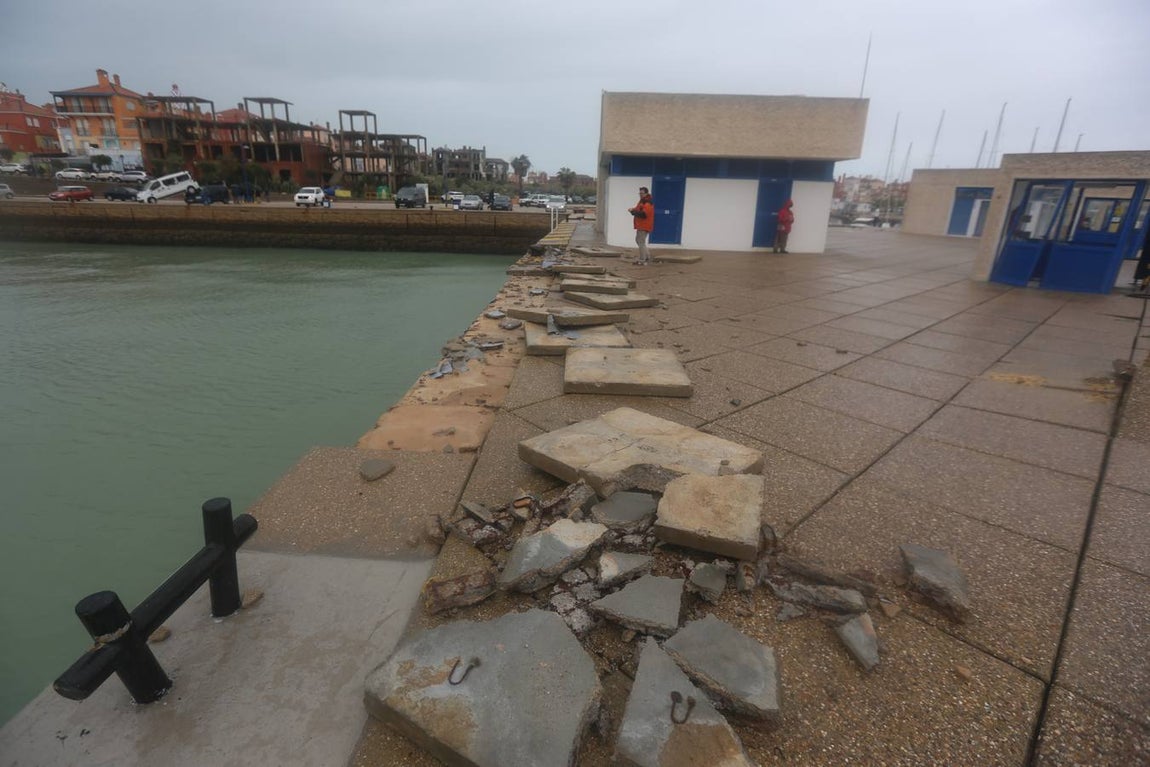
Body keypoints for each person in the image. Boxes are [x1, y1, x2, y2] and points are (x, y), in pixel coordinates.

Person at [628, 186, 654, 265]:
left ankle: (642, 259)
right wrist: (633, 209)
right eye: (640, 193)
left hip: (644, 225)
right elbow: (638, 209)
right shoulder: (642, 201)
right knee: (639, 241)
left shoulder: (648, 202)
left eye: (642, 193)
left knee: (640, 241)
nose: (640, 194)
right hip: (641, 225)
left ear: (646, 193)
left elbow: (644, 214)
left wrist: (633, 212)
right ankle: (647, 256)